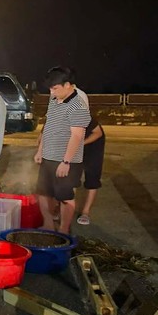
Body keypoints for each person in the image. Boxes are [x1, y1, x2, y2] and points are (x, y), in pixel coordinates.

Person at [34, 66, 91, 235]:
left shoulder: (78, 106)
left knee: (65, 197)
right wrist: (40, 151)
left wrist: (66, 161)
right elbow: (48, 126)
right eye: (50, 89)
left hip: (66, 161)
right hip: (48, 157)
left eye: (55, 88)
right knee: (42, 193)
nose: (52, 93)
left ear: (68, 85)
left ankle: (64, 230)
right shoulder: (53, 100)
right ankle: (48, 225)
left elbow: (77, 136)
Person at [76, 117, 105, 226]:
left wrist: (80, 144)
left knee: (92, 177)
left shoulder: (82, 113)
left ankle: (85, 212)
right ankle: (64, 208)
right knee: (71, 178)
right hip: (75, 143)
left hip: (93, 145)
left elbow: (98, 133)